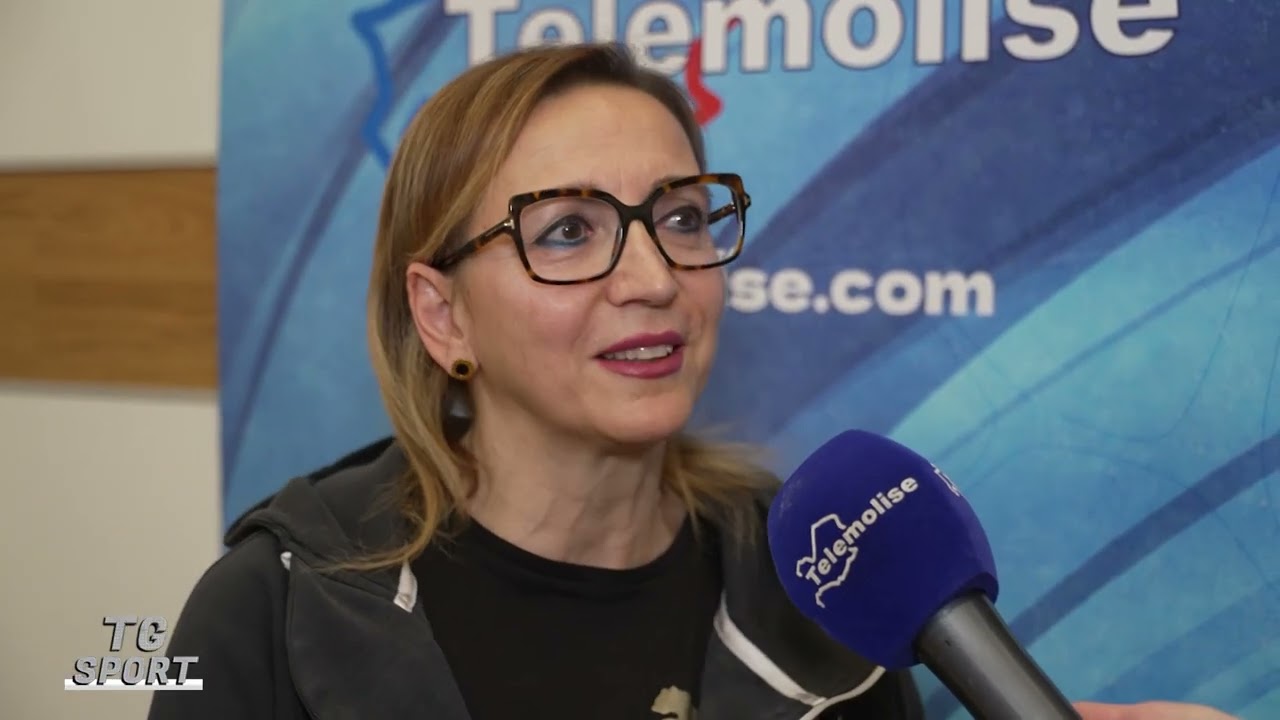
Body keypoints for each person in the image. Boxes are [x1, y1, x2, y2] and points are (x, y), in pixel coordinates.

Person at [148, 42, 1238, 720]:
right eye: (567, 231)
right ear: (442, 315)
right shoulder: (275, 606)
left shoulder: (822, 581)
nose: (654, 277)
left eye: (679, 218)